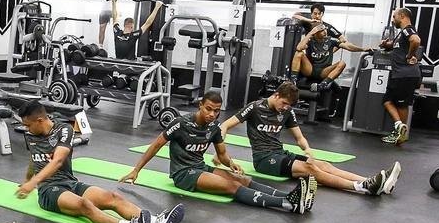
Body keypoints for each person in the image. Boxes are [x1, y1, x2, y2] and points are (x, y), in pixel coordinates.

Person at [122, 90, 316, 214]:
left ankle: (289, 195)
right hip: (184, 174)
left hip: (201, 167)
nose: (212, 114)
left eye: (216, 111)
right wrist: (136, 170)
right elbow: (155, 145)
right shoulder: (181, 123)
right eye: (208, 109)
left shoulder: (214, 126)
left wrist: (230, 163)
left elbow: (222, 154)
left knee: (241, 179)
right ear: (200, 105)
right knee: (229, 186)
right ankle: (285, 204)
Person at [17, 100, 185, 223]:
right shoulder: (30, 136)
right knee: (84, 204)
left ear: (40, 120)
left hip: (69, 182)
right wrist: (27, 180)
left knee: (112, 197)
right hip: (49, 190)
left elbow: (58, 160)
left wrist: (32, 182)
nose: (26, 129)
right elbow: (33, 159)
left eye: (28, 125)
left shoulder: (64, 130)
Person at [220, 82, 401, 196]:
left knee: (322, 164)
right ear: (276, 95)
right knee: (309, 169)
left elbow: (299, 137)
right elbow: (225, 125)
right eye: (284, 103)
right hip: (264, 160)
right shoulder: (255, 107)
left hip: (280, 153)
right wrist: (222, 152)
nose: (285, 108)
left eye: (288, 105)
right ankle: (361, 187)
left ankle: (372, 180)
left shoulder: (287, 112)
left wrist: (307, 150)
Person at [290, 7, 370, 91]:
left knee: (342, 63)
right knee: (299, 53)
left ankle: (323, 85)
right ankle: (293, 82)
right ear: (315, 33)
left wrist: (363, 49)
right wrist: (311, 33)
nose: (325, 32)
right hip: (310, 69)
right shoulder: (310, 40)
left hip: (324, 71)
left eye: (325, 30)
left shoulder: (331, 40)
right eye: (322, 31)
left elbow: (348, 46)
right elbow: (299, 48)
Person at [380, 7, 424, 145]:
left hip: (405, 75)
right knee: (387, 101)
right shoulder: (401, 34)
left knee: (401, 105)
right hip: (398, 75)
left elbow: (416, 40)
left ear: (403, 16)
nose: (393, 20)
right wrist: (385, 45)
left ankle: (401, 134)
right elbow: (394, 45)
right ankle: (399, 127)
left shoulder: (408, 30)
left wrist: (410, 55)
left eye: (394, 17)